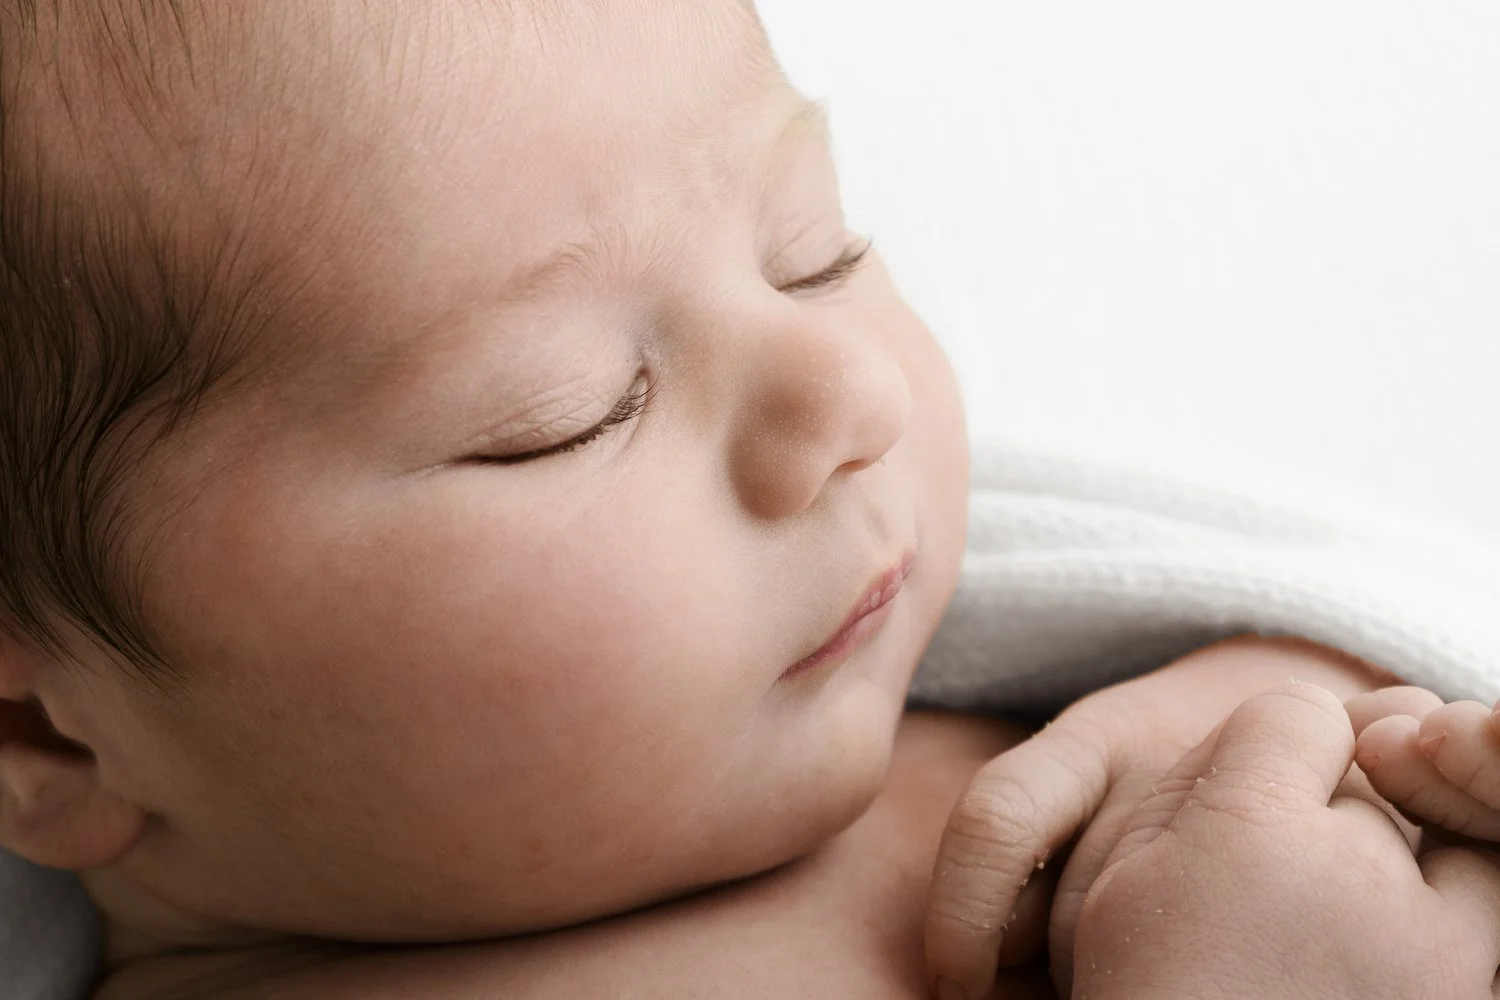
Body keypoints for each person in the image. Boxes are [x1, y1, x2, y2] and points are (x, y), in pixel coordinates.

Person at [2, 2, 1498, 998]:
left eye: (814, 247)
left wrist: (1310, 703)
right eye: (568, 415)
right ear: (44, 730)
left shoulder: (1083, 705)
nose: (851, 401)